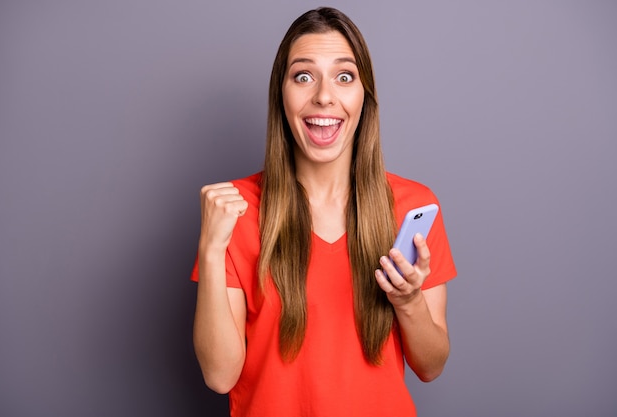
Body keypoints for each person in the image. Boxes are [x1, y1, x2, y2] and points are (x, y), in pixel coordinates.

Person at [191, 7, 457, 417]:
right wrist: (210, 250)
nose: (324, 96)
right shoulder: (235, 211)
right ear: (281, 93)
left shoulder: (413, 207)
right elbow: (220, 375)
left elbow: (431, 365)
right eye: (303, 76)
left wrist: (408, 301)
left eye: (344, 76)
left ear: (364, 94)